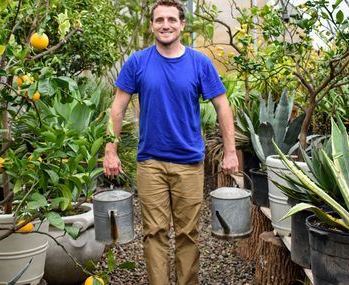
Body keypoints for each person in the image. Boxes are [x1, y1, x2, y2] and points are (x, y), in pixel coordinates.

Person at [102, 0, 238, 284]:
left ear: (182, 25)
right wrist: (110, 150)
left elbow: (223, 106)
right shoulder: (137, 62)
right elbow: (117, 108)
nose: (166, 25)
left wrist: (230, 152)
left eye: (172, 20)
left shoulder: (200, 63)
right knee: (154, 233)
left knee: (189, 234)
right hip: (150, 162)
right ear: (152, 25)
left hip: (189, 162)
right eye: (160, 20)